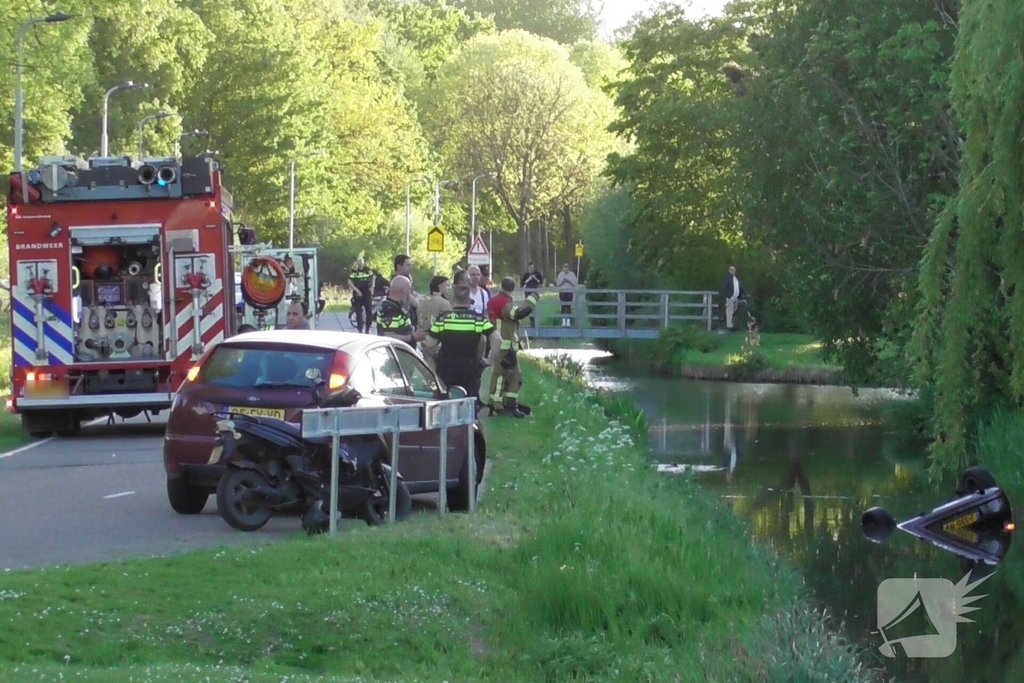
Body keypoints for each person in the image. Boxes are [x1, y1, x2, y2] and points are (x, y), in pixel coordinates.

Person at [422, 285, 501, 400]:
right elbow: (497, 339)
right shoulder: (477, 319)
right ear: (469, 300)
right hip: (469, 367)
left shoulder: (444, 318)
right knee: (469, 402)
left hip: (446, 368)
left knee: (446, 401)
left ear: (453, 300)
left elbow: (430, 343)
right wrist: (489, 361)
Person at [487, 277, 538, 418]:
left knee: (515, 376)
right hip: (504, 345)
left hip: (507, 345)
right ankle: (496, 405)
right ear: (513, 289)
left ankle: (510, 404)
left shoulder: (497, 300)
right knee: (500, 376)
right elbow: (519, 313)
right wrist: (532, 300)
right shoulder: (502, 301)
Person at [377, 275, 426, 348]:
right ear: (402, 290)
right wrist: (413, 337)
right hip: (396, 353)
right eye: (409, 289)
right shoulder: (389, 309)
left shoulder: (398, 305)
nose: (409, 292)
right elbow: (389, 337)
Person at [418, 275, 453, 371]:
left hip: (424, 341)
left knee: (430, 373)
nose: (449, 289)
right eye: (447, 285)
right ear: (440, 286)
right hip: (439, 344)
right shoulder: (444, 303)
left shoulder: (423, 301)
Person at [348, 256, 375, 334]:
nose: (360, 263)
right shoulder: (355, 272)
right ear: (357, 263)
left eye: (361, 261)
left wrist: (372, 287)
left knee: (369, 312)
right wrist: (356, 290)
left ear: (363, 262)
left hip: (367, 293)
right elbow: (349, 282)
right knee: (358, 312)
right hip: (358, 294)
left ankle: (367, 329)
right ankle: (360, 330)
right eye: (358, 261)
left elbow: (373, 277)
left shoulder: (367, 270)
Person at [392, 254, 420, 329]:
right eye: (407, 265)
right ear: (399, 266)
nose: (410, 268)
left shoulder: (406, 280)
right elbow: (415, 303)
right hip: (402, 322)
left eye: (410, 265)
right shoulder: (398, 283)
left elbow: (414, 294)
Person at [721, 265, 747, 332]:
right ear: (729, 271)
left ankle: (732, 325)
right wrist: (729, 296)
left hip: (736, 298)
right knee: (729, 311)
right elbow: (724, 287)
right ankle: (729, 326)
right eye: (731, 269)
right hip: (730, 298)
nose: (732, 271)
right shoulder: (728, 278)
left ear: (735, 270)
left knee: (734, 312)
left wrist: (745, 294)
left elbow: (740, 287)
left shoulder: (736, 278)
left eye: (733, 269)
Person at [520, 261, 543, 327]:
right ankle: (531, 321)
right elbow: (522, 285)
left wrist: (535, 278)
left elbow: (541, 282)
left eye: (533, 267)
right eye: (530, 267)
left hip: (535, 293)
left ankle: (536, 322)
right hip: (528, 293)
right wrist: (529, 279)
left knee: (535, 307)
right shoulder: (526, 275)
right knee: (529, 307)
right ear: (528, 267)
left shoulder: (537, 274)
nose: (532, 268)